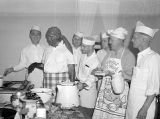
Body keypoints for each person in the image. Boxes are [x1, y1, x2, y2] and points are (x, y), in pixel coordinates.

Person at [92, 27, 135, 119]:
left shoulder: (128, 55)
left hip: (119, 93)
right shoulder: (110, 53)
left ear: (120, 41)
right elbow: (103, 68)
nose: (110, 42)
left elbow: (131, 77)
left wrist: (114, 75)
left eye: (112, 40)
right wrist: (97, 70)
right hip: (106, 91)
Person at [126, 21, 160, 119]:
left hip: (142, 109)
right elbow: (140, 82)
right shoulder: (141, 57)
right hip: (132, 106)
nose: (132, 40)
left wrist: (144, 109)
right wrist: (125, 76)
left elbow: (154, 87)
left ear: (144, 39)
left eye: (135, 37)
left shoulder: (153, 58)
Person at [41, 27, 75, 93]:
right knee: (48, 102)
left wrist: (72, 85)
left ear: (58, 36)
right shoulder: (47, 50)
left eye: (51, 36)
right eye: (47, 36)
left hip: (62, 82)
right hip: (47, 82)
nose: (48, 39)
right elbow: (43, 65)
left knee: (61, 102)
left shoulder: (66, 49)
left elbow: (71, 69)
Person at [77, 36, 99, 117]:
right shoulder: (83, 56)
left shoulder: (96, 60)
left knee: (87, 115)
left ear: (91, 47)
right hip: (79, 90)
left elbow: (93, 77)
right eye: (82, 45)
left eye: (84, 46)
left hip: (88, 94)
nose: (81, 48)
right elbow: (79, 73)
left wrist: (83, 85)